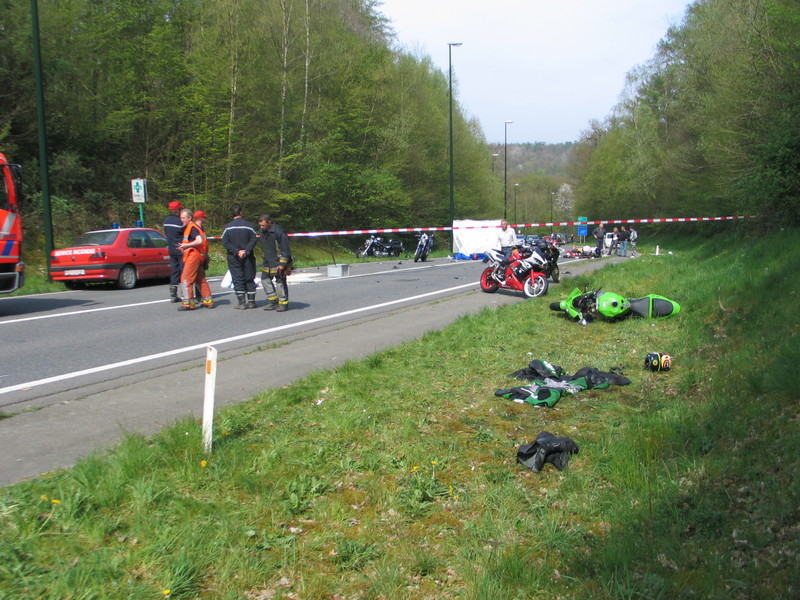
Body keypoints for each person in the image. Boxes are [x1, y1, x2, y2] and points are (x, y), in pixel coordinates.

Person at [221, 204, 258, 309]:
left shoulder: (227, 227)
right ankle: (251, 302)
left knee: (237, 278)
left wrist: (237, 251)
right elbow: (254, 239)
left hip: (234, 257)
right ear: (241, 213)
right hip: (248, 256)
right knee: (249, 277)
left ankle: (241, 303)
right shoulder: (249, 226)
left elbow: (225, 242)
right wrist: (246, 250)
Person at [177, 209, 214, 311]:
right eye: (181, 218)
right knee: (200, 279)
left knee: (185, 279)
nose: (182, 220)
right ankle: (208, 301)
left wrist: (185, 245)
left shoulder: (192, 228)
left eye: (183, 218)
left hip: (193, 256)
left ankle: (188, 304)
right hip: (198, 256)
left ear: (189, 218)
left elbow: (199, 241)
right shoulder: (197, 228)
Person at [258, 213, 293, 312]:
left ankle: (283, 304)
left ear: (269, 223)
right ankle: (273, 302)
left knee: (280, 282)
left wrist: (282, 264)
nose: (261, 227)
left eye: (263, 225)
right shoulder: (262, 231)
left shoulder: (279, 232)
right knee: (265, 280)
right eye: (260, 225)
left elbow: (285, 250)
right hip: (267, 261)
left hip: (278, 262)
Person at [163, 201, 184, 302]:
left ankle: (173, 295)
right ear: (178, 211)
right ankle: (185, 294)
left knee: (175, 271)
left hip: (171, 249)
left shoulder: (166, 221)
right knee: (184, 271)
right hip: (181, 249)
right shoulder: (180, 222)